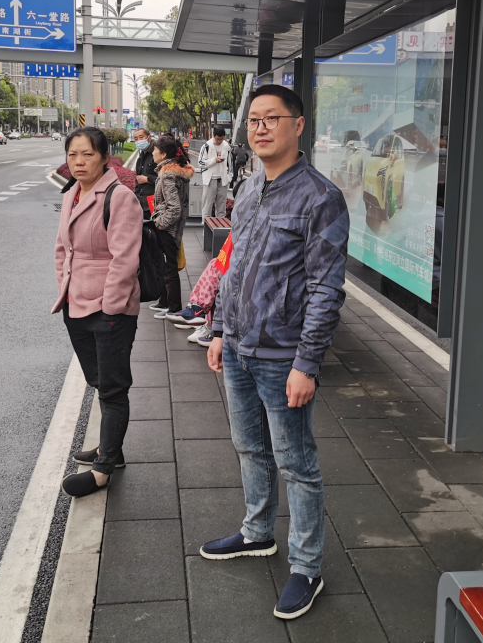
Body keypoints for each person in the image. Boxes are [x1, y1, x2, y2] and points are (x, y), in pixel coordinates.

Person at [202, 84, 349, 621]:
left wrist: (306, 363)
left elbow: (326, 288)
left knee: (297, 462)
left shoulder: (320, 197)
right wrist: (219, 329)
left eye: (271, 118)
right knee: (249, 447)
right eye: (254, 120)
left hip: (282, 356)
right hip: (239, 347)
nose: (260, 128)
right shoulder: (248, 189)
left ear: (298, 125)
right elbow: (232, 266)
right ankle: (257, 531)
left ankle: (307, 567)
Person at [51, 127, 143, 498]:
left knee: (113, 387)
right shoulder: (72, 193)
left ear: (105, 158)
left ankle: (104, 468)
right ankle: (110, 446)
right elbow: (62, 248)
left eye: (87, 154)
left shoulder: (120, 197)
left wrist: (111, 307)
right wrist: (65, 287)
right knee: (98, 380)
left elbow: (125, 259)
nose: (79, 162)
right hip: (74, 305)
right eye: (73, 154)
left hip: (110, 310)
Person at [149, 136, 194, 319]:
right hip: (172, 228)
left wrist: (160, 224)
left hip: (168, 229)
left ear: (163, 154)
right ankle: (167, 303)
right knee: (167, 267)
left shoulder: (167, 175)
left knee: (169, 269)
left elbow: (175, 208)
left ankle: (174, 308)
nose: (152, 152)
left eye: (155, 150)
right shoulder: (174, 171)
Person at [198, 126, 231, 217]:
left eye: (221, 139)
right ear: (213, 136)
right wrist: (214, 160)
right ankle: (206, 226)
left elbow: (230, 164)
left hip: (223, 180)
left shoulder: (227, 147)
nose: (219, 141)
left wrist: (229, 177)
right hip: (210, 180)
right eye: (217, 139)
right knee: (207, 207)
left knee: (222, 208)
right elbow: (200, 163)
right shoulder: (206, 146)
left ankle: (220, 225)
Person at [133, 129, 158, 218]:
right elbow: (138, 181)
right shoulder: (140, 158)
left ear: (149, 138)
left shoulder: (157, 155)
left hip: (155, 204)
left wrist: (147, 179)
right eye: (136, 139)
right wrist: (136, 198)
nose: (139, 141)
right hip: (142, 205)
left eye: (141, 137)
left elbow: (165, 179)